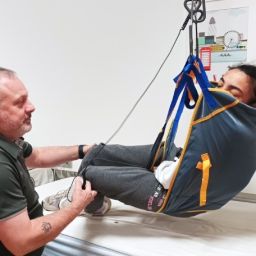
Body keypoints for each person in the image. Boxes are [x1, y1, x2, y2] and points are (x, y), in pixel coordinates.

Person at [46, 63, 256, 218]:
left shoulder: (238, 136)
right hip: (180, 161)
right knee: (96, 153)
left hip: (176, 193)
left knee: (89, 174)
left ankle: (92, 205)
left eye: (233, 92)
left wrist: (160, 167)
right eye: (220, 84)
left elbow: (168, 177)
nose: (220, 93)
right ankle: (79, 191)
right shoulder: (233, 120)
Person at [0, 67, 97, 256]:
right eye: (19, 103)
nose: (31, 106)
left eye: (27, 97)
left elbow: (37, 156)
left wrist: (82, 150)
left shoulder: (9, 139)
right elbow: (21, 242)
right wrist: (76, 206)